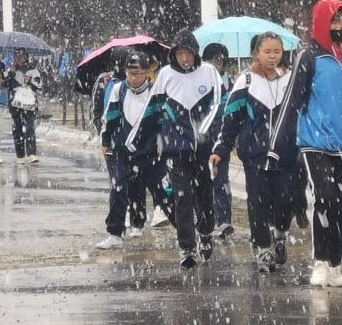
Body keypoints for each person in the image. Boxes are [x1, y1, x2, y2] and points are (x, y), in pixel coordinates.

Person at [269, 0, 342, 287]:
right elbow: (291, 103)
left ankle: (336, 264)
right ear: (321, 23)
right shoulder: (308, 57)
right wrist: (276, 146)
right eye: (333, 21)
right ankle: (321, 262)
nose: (338, 27)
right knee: (325, 198)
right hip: (315, 143)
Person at [127, 29, 222, 270]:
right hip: (176, 149)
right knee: (182, 197)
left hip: (203, 149)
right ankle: (186, 247)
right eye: (179, 54)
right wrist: (134, 139)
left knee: (205, 196)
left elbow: (220, 104)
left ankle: (206, 233)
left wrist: (205, 132)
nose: (184, 59)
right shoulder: (166, 76)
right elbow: (152, 110)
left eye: (187, 53)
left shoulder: (209, 73)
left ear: (195, 53)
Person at [211, 32, 297, 273]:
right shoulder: (246, 81)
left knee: (285, 200)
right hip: (255, 154)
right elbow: (230, 119)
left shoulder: (291, 79)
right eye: (267, 52)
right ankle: (262, 248)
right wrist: (222, 148)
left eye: (277, 52)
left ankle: (279, 234)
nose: (272, 56)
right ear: (256, 53)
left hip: (286, 153)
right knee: (257, 202)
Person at [97, 51, 175, 250]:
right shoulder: (118, 90)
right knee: (118, 190)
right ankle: (115, 232)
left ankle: (185, 230)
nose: (133, 78)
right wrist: (105, 141)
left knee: (163, 194)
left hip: (150, 153)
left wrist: (163, 144)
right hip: (124, 151)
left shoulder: (155, 93)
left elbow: (164, 122)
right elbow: (111, 117)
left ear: (147, 73)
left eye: (137, 73)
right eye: (129, 73)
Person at [203, 42, 234, 240]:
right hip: (202, 140)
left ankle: (224, 220)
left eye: (220, 60)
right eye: (212, 59)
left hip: (222, 140)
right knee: (205, 182)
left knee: (221, 180)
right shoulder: (202, 85)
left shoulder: (231, 85)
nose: (216, 64)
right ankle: (207, 220)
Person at [6, 48, 41, 165]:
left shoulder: (33, 70)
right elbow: (6, 84)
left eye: (22, 55)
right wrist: (11, 73)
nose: (19, 58)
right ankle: (20, 155)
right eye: (17, 56)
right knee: (17, 128)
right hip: (15, 104)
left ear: (26, 57)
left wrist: (29, 81)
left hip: (29, 104)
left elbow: (39, 85)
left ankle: (31, 153)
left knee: (30, 127)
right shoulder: (11, 71)